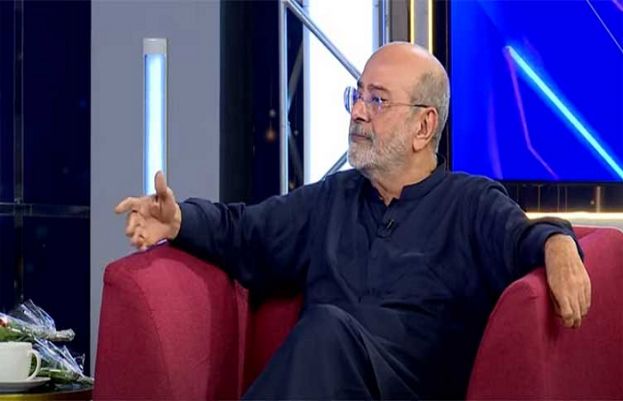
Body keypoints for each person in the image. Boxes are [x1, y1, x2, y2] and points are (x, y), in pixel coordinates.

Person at [115, 42, 591, 400]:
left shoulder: (469, 202)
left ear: (424, 126)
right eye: (357, 95)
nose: (358, 112)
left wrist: (559, 244)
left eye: (377, 101)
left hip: (410, 388)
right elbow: (245, 232)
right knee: (327, 333)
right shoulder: (333, 197)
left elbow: (524, 238)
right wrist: (178, 221)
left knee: (327, 330)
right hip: (325, 385)